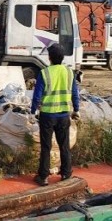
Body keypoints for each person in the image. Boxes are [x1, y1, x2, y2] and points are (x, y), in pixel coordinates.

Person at [30, 43, 80, 186]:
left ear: (50, 57)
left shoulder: (45, 73)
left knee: (46, 147)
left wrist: (33, 112)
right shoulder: (69, 72)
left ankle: (43, 177)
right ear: (62, 57)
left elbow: (37, 96)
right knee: (64, 145)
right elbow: (75, 94)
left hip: (47, 116)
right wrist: (76, 109)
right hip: (64, 115)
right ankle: (66, 173)